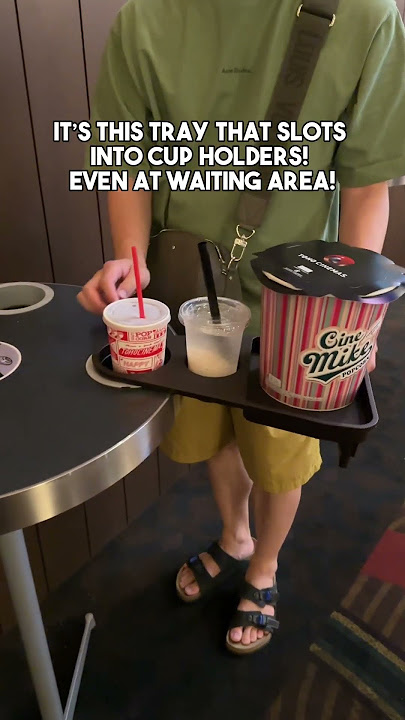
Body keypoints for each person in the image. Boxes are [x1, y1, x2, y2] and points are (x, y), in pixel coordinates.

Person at [78, 0, 405, 654]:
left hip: (301, 302)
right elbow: (127, 161)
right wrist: (128, 260)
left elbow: (367, 182)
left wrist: (355, 316)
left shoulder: (367, 13)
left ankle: (264, 567)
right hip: (186, 291)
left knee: (278, 458)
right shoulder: (144, 18)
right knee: (215, 432)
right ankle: (235, 536)